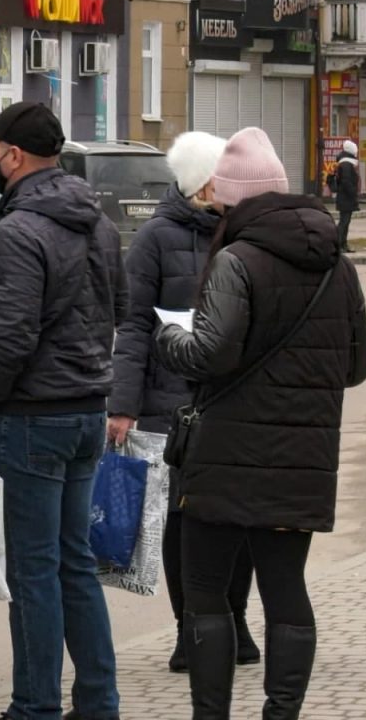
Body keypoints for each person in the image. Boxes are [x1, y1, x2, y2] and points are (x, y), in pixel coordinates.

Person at [156, 127, 366, 720]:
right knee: (285, 589)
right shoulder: (338, 266)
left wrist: (167, 336)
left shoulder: (236, 260)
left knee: (205, 591)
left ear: (235, 197)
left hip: (224, 457)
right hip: (302, 461)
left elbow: (209, 353)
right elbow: (357, 366)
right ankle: (282, 713)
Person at [0, 102, 128, 720]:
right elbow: (119, 309)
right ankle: (98, 704)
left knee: (35, 572)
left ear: (13, 156)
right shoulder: (99, 224)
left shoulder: (18, 232)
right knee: (75, 565)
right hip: (86, 412)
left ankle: (34, 708)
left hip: (32, 420)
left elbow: (8, 339)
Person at [107, 131, 259, 673]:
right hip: (168, 403)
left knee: (235, 516)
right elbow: (132, 326)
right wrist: (122, 405)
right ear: (201, 184)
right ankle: (188, 627)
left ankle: (235, 619)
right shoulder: (155, 238)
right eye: (221, 179)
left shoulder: (241, 232)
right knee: (180, 519)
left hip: (229, 397)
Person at [334, 139, 360, 253]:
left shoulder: (346, 163)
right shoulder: (346, 164)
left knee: (346, 222)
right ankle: (338, 245)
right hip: (345, 198)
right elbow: (346, 182)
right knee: (343, 222)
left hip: (346, 198)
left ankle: (343, 244)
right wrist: (353, 193)